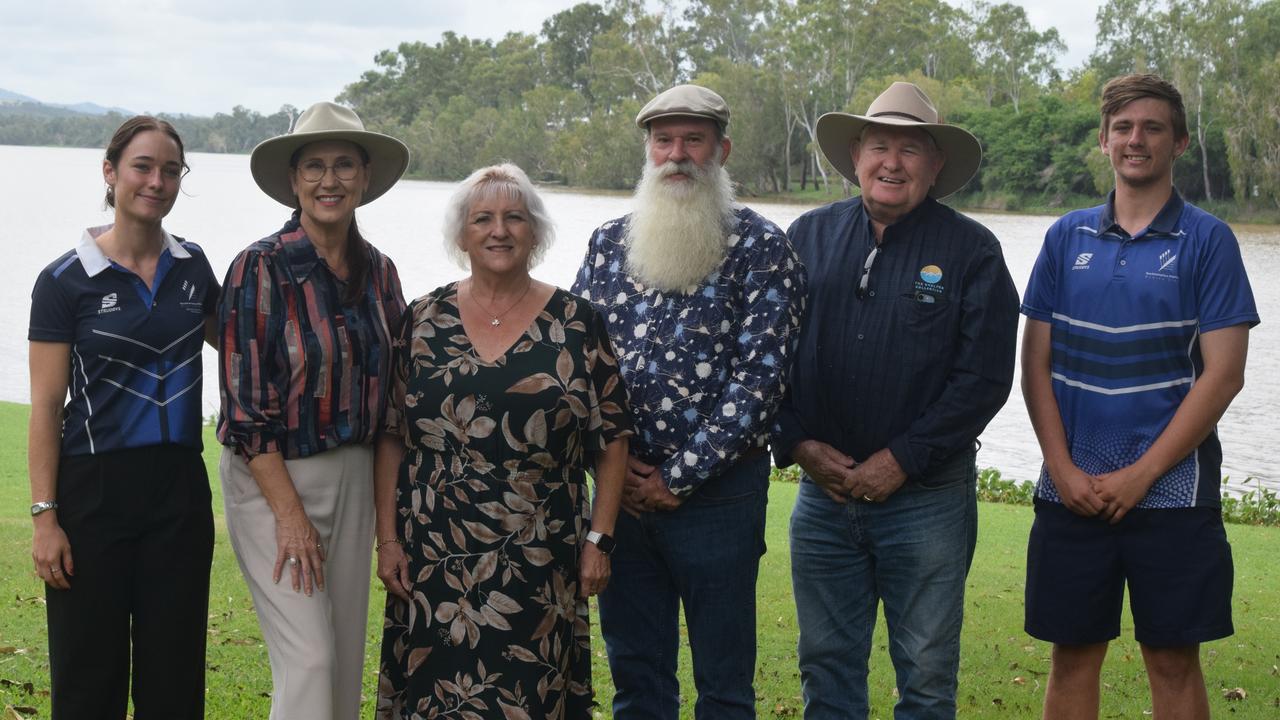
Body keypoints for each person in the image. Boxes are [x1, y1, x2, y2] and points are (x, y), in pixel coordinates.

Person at [772, 81, 1020, 718]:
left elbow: (985, 378)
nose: (892, 162)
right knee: (825, 669)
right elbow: (767, 356)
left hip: (927, 500)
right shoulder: (806, 237)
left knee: (927, 677)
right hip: (822, 500)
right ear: (855, 154)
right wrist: (798, 443)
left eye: (911, 150)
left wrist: (902, 459)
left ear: (935, 166)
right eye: (879, 145)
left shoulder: (973, 252)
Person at [1020, 73, 1258, 720]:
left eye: (1153, 128)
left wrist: (1142, 475)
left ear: (1179, 142)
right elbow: (1035, 365)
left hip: (1176, 497)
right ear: (1103, 141)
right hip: (1069, 492)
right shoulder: (1065, 238)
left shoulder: (1209, 241)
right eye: (1123, 128)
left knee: (1174, 661)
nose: (1136, 139)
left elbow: (1224, 374)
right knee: (1071, 657)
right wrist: (1065, 470)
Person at [572, 84, 806, 718]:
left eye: (693, 140)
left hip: (718, 501)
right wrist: (613, 471)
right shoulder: (606, 243)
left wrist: (677, 477)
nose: (677, 155)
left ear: (722, 150)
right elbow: (579, 366)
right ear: (648, 150)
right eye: (663, 140)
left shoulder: (763, 248)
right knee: (636, 677)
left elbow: (762, 380)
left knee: (724, 684)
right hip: (621, 495)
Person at [372, 163, 632, 719]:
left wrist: (600, 539)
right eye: (482, 218)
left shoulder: (578, 322)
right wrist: (388, 541)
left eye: (514, 217)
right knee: (437, 696)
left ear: (534, 231)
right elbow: (393, 436)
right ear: (461, 234)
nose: (499, 230)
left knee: (530, 697)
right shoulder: (422, 318)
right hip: (434, 556)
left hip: (541, 558)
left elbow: (612, 439)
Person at [217, 101, 409, 720]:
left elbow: (392, 411)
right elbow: (246, 412)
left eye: (344, 165)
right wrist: (291, 517)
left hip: (355, 478)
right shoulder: (259, 267)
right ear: (295, 179)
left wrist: (387, 531)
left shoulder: (381, 273)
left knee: (343, 664)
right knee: (310, 661)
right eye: (315, 167)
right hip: (274, 482)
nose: (330, 181)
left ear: (365, 176)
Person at [27, 116, 218, 719]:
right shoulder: (63, 281)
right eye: (142, 166)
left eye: (170, 170)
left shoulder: (193, 267)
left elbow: (247, 351)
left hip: (180, 494)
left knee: (174, 676)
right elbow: (45, 407)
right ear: (110, 173)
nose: (156, 181)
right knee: (88, 677)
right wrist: (44, 518)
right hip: (93, 494)